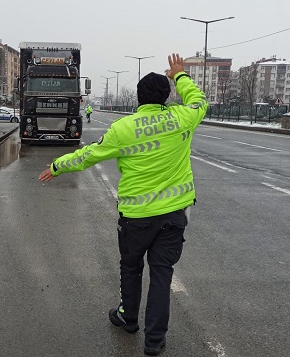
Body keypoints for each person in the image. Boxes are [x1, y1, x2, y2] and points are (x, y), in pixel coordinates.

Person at [38, 53, 207, 356]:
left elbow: (87, 155)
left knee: (131, 268)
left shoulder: (123, 129)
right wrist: (181, 75)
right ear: (167, 96)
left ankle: (128, 318)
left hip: (136, 218)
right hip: (173, 216)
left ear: (139, 98)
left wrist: (57, 166)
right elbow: (199, 101)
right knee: (161, 276)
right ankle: (154, 342)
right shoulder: (183, 117)